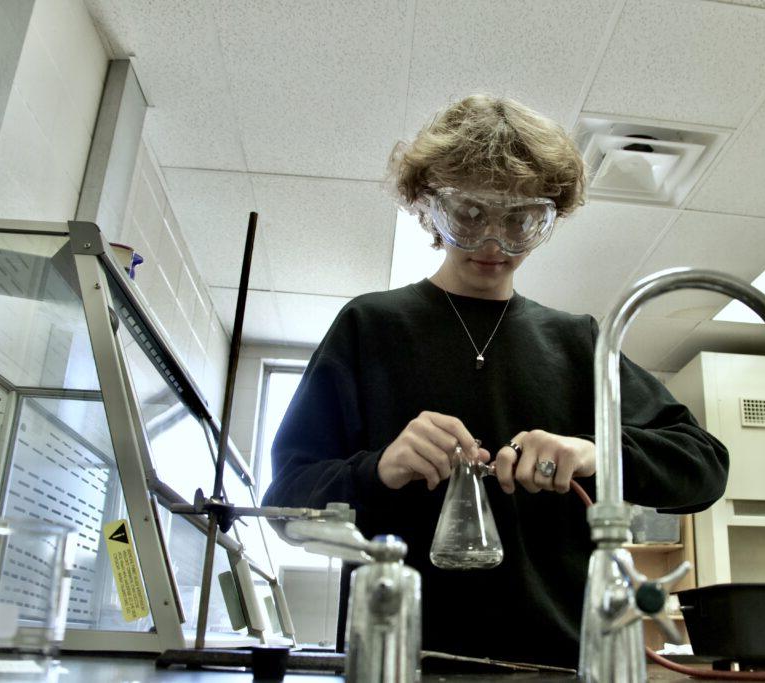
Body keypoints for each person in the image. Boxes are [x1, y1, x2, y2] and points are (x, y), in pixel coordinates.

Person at [263, 94, 728, 668]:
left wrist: (591, 452)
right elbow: (285, 502)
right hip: (402, 662)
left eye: (520, 220)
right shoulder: (370, 328)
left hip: (559, 665)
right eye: (470, 214)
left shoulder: (578, 342)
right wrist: (379, 470)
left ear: (549, 218)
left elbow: (703, 467)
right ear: (428, 206)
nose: (493, 243)